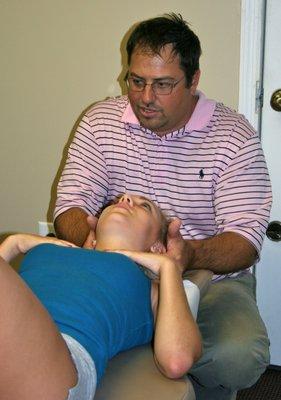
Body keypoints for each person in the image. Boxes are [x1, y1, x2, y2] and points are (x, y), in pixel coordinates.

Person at [53, 13, 272, 400]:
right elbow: (70, 206)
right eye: (136, 81)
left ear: (194, 80)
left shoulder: (233, 136)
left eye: (163, 84)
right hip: (109, 271)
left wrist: (186, 256)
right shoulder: (100, 122)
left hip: (207, 277)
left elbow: (245, 240)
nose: (145, 97)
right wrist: (103, 248)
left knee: (235, 357)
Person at [0, 193, 202, 400]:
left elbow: (177, 360)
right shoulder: (51, 250)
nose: (125, 200)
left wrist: (167, 267)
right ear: (94, 235)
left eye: (145, 207)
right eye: (116, 201)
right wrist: (14, 243)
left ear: (157, 247)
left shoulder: (148, 285)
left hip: (61, 363)